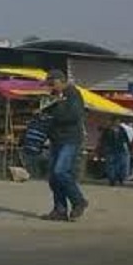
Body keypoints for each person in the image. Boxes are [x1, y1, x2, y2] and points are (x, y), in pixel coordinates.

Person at [41, 70, 88, 221]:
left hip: (70, 139)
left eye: (52, 83)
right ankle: (60, 210)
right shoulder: (57, 96)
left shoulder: (73, 94)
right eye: (49, 84)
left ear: (61, 81)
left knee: (60, 171)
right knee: (54, 177)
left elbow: (74, 115)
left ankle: (78, 201)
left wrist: (54, 112)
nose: (51, 87)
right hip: (56, 139)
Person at [99, 123, 131, 187]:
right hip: (111, 150)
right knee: (111, 165)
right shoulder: (107, 130)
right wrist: (104, 147)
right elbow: (103, 140)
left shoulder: (122, 130)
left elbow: (126, 140)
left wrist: (129, 148)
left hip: (120, 149)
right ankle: (112, 179)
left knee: (120, 165)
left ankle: (119, 178)